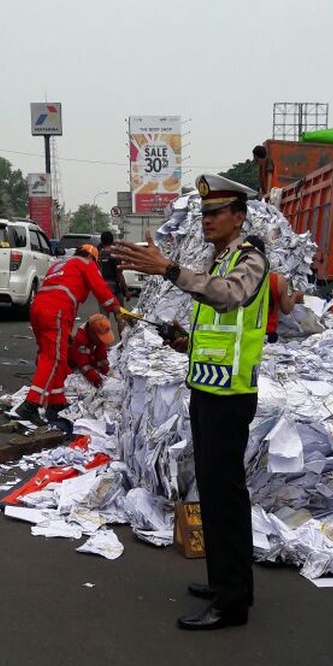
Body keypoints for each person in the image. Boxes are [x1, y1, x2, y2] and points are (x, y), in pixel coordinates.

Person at [115, 173, 269, 631]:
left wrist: (167, 268)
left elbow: (229, 298)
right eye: (202, 213)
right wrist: (186, 340)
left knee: (224, 496)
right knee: (217, 491)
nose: (206, 220)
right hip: (208, 388)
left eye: (215, 213)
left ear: (238, 217)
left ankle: (231, 601)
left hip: (230, 395)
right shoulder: (218, 261)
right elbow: (218, 326)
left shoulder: (250, 259)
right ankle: (229, 581)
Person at [16, 243, 121, 429]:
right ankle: (30, 404)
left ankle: (56, 403)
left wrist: (66, 331)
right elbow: (100, 288)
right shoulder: (86, 264)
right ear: (94, 259)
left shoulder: (60, 265)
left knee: (55, 356)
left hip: (39, 308)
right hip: (56, 309)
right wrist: (116, 308)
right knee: (53, 358)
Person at [67, 313, 116, 388]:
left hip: (81, 358)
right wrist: (101, 383)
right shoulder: (78, 340)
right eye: (100, 338)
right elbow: (85, 367)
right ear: (92, 333)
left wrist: (109, 374)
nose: (101, 341)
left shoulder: (96, 335)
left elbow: (101, 355)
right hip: (67, 363)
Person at [266, 271, 305, 341]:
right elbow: (286, 309)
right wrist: (295, 296)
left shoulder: (245, 278)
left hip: (245, 332)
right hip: (268, 333)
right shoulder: (277, 280)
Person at [97, 231, 128, 307]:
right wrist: (126, 291)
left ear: (101, 241)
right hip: (115, 288)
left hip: (102, 289)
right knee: (120, 314)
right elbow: (119, 274)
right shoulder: (115, 255)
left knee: (103, 315)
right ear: (112, 240)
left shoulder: (98, 255)